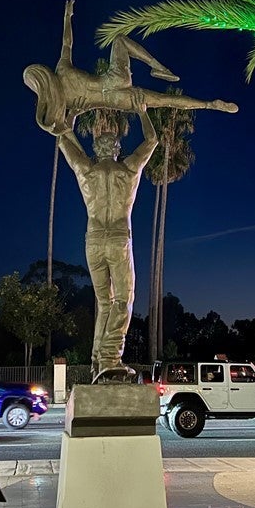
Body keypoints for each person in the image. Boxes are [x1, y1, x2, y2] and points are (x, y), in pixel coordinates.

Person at [23, 0, 237, 136]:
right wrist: (67, 17)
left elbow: (63, 130)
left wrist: (74, 114)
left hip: (115, 98)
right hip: (114, 82)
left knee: (163, 100)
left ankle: (209, 104)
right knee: (120, 41)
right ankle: (160, 69)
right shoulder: (62, 71)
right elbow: (67, 43)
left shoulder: (62, 102)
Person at [57, 89, 157, 379]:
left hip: (93, 241)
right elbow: (152, 141)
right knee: (123, 299)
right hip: (117, 239)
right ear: (116, 148)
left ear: (96, 148)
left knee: (104, 302)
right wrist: (142, 113)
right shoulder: (128, 169)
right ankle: (111, 357)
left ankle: (96, 363)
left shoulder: (86, 171)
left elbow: (62, 139)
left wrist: (71, 116)